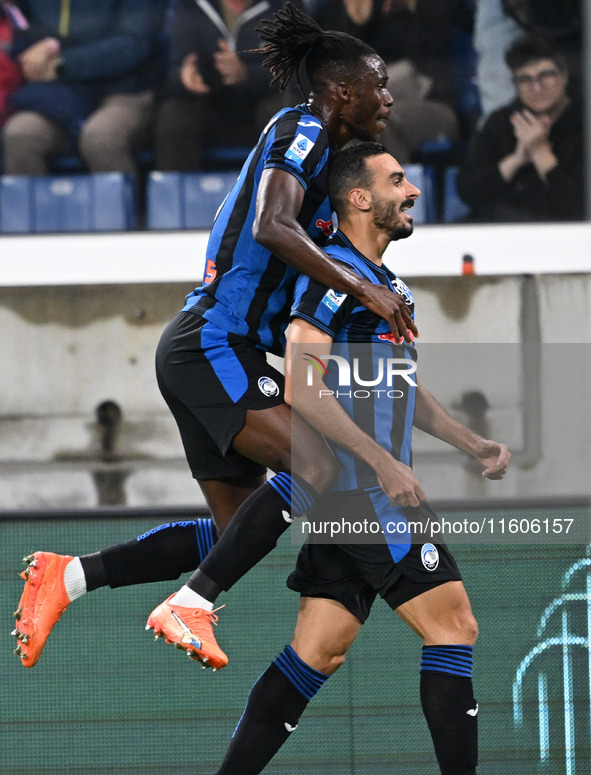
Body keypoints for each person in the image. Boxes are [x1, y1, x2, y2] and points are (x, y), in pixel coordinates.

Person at [177, 142, 555, 775]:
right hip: (362, 492)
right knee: (454, 624)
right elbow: (303, 393)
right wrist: (382, 463)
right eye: (396, 181)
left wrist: (468, 440)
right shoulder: (329, 282)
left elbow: (399, 391)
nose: (411, 190)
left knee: (318, 651)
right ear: (357, 199)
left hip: (362, 490)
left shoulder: (384, 284)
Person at [14, 4, 418, 669]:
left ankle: (71, 577)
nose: (389, 95)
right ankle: (190, 604)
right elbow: (268, 225)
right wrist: (363, 290)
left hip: (206, 348)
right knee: (317, 467)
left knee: (237, 534)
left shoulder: (329, 157)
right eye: (379, 83)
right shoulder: (304, 126)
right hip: (212, 342)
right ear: (344, 88)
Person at [1, 0, 167, 176]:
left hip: (127, 91)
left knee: (101, 139)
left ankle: (126, 204)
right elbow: (17, 27)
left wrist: (64, 63)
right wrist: (33, 52)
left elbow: (135, 43)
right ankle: (39, 204)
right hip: (59, 95)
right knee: (20, 135)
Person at [154, 0, 298, 171]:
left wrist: (247, 74)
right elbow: (173, 68)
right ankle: (176, 196)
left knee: (288, 116)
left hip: (262, 104)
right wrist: (185, 77)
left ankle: (287, 193)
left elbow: (297, 70)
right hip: (209, 105)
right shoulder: (190, 5)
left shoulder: (284, 5)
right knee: (175, 117)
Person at [456, 35, 584, 222]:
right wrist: (516, 160)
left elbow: (577, 206)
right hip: (504, 231)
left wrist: (540, 152)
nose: (536, 87)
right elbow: (468, 191)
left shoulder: (583, 122)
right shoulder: (501, 121)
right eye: (525, 79)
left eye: (545, 76)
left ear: (563, 76)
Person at [315, 0, 459, 164]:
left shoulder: (420, 7)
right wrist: (356, 22)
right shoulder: (338, 9)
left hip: (430, 101)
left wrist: (398, 13)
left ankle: (393, 187)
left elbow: (432, 45)